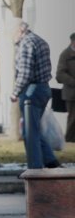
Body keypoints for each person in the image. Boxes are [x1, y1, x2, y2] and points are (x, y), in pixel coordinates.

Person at [12, 22, 60, 169]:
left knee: (30, 133)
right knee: (34, 128)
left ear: (21, 30)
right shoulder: (40, 40)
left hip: (31, 91)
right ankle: (50, 160)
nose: (13, 36)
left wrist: (15, 92)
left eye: (14, 32)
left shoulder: (26, 44)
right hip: (44, 88)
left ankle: (35, 169)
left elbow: (25, 73)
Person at [56, 32, 75, 143]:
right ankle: (69, 140)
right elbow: (60, 74)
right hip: (71, 93)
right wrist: (73, 81)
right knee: (73, 118)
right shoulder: (65, 55)